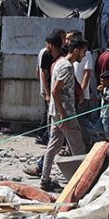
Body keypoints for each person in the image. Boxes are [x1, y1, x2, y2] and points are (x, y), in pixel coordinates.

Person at [38, 38, 89, 191]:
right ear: (76, 50)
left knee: (53, 146)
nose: (84, 55)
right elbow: (55, 90)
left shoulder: (60, 63)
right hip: (65, 114)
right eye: (83, 52)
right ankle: (83, 183)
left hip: (57, 112)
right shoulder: (66, 66)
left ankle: (45, 179)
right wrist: (64, 115)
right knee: (78, 149)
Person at [35, 29, 64, 146]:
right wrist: (46, 92)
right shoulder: (46, 53)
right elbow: (42, 71)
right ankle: (43, 135)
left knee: (50, 112)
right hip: (50, 88)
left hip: (52, 87)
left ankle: (46, 135)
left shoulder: (58, 54)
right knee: (49, 112)